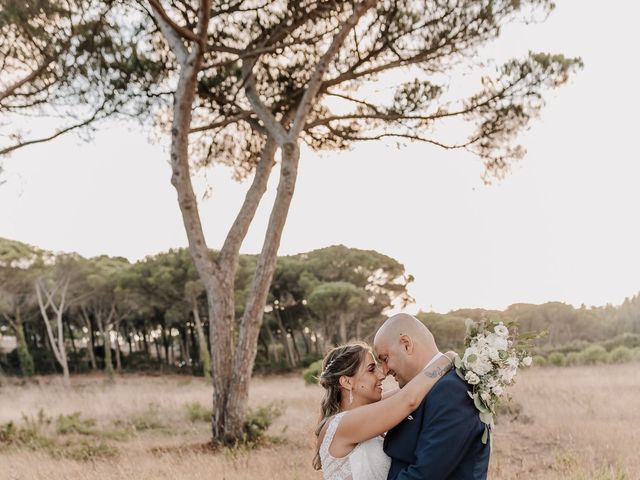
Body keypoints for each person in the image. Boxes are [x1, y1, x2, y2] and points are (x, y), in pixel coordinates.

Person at [313, 340, 454, 480]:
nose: (381, 375)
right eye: (371, 369)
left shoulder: (365, 413)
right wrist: (449, 357)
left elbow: (409, 389)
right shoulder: (342, 424)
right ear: (347, 382)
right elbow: (408, 399)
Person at [374, 313, 491, 480]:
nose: (385, 371)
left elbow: (424, 474)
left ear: (406, 344)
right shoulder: (427, 387)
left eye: (385, 358)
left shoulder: (452, 390)